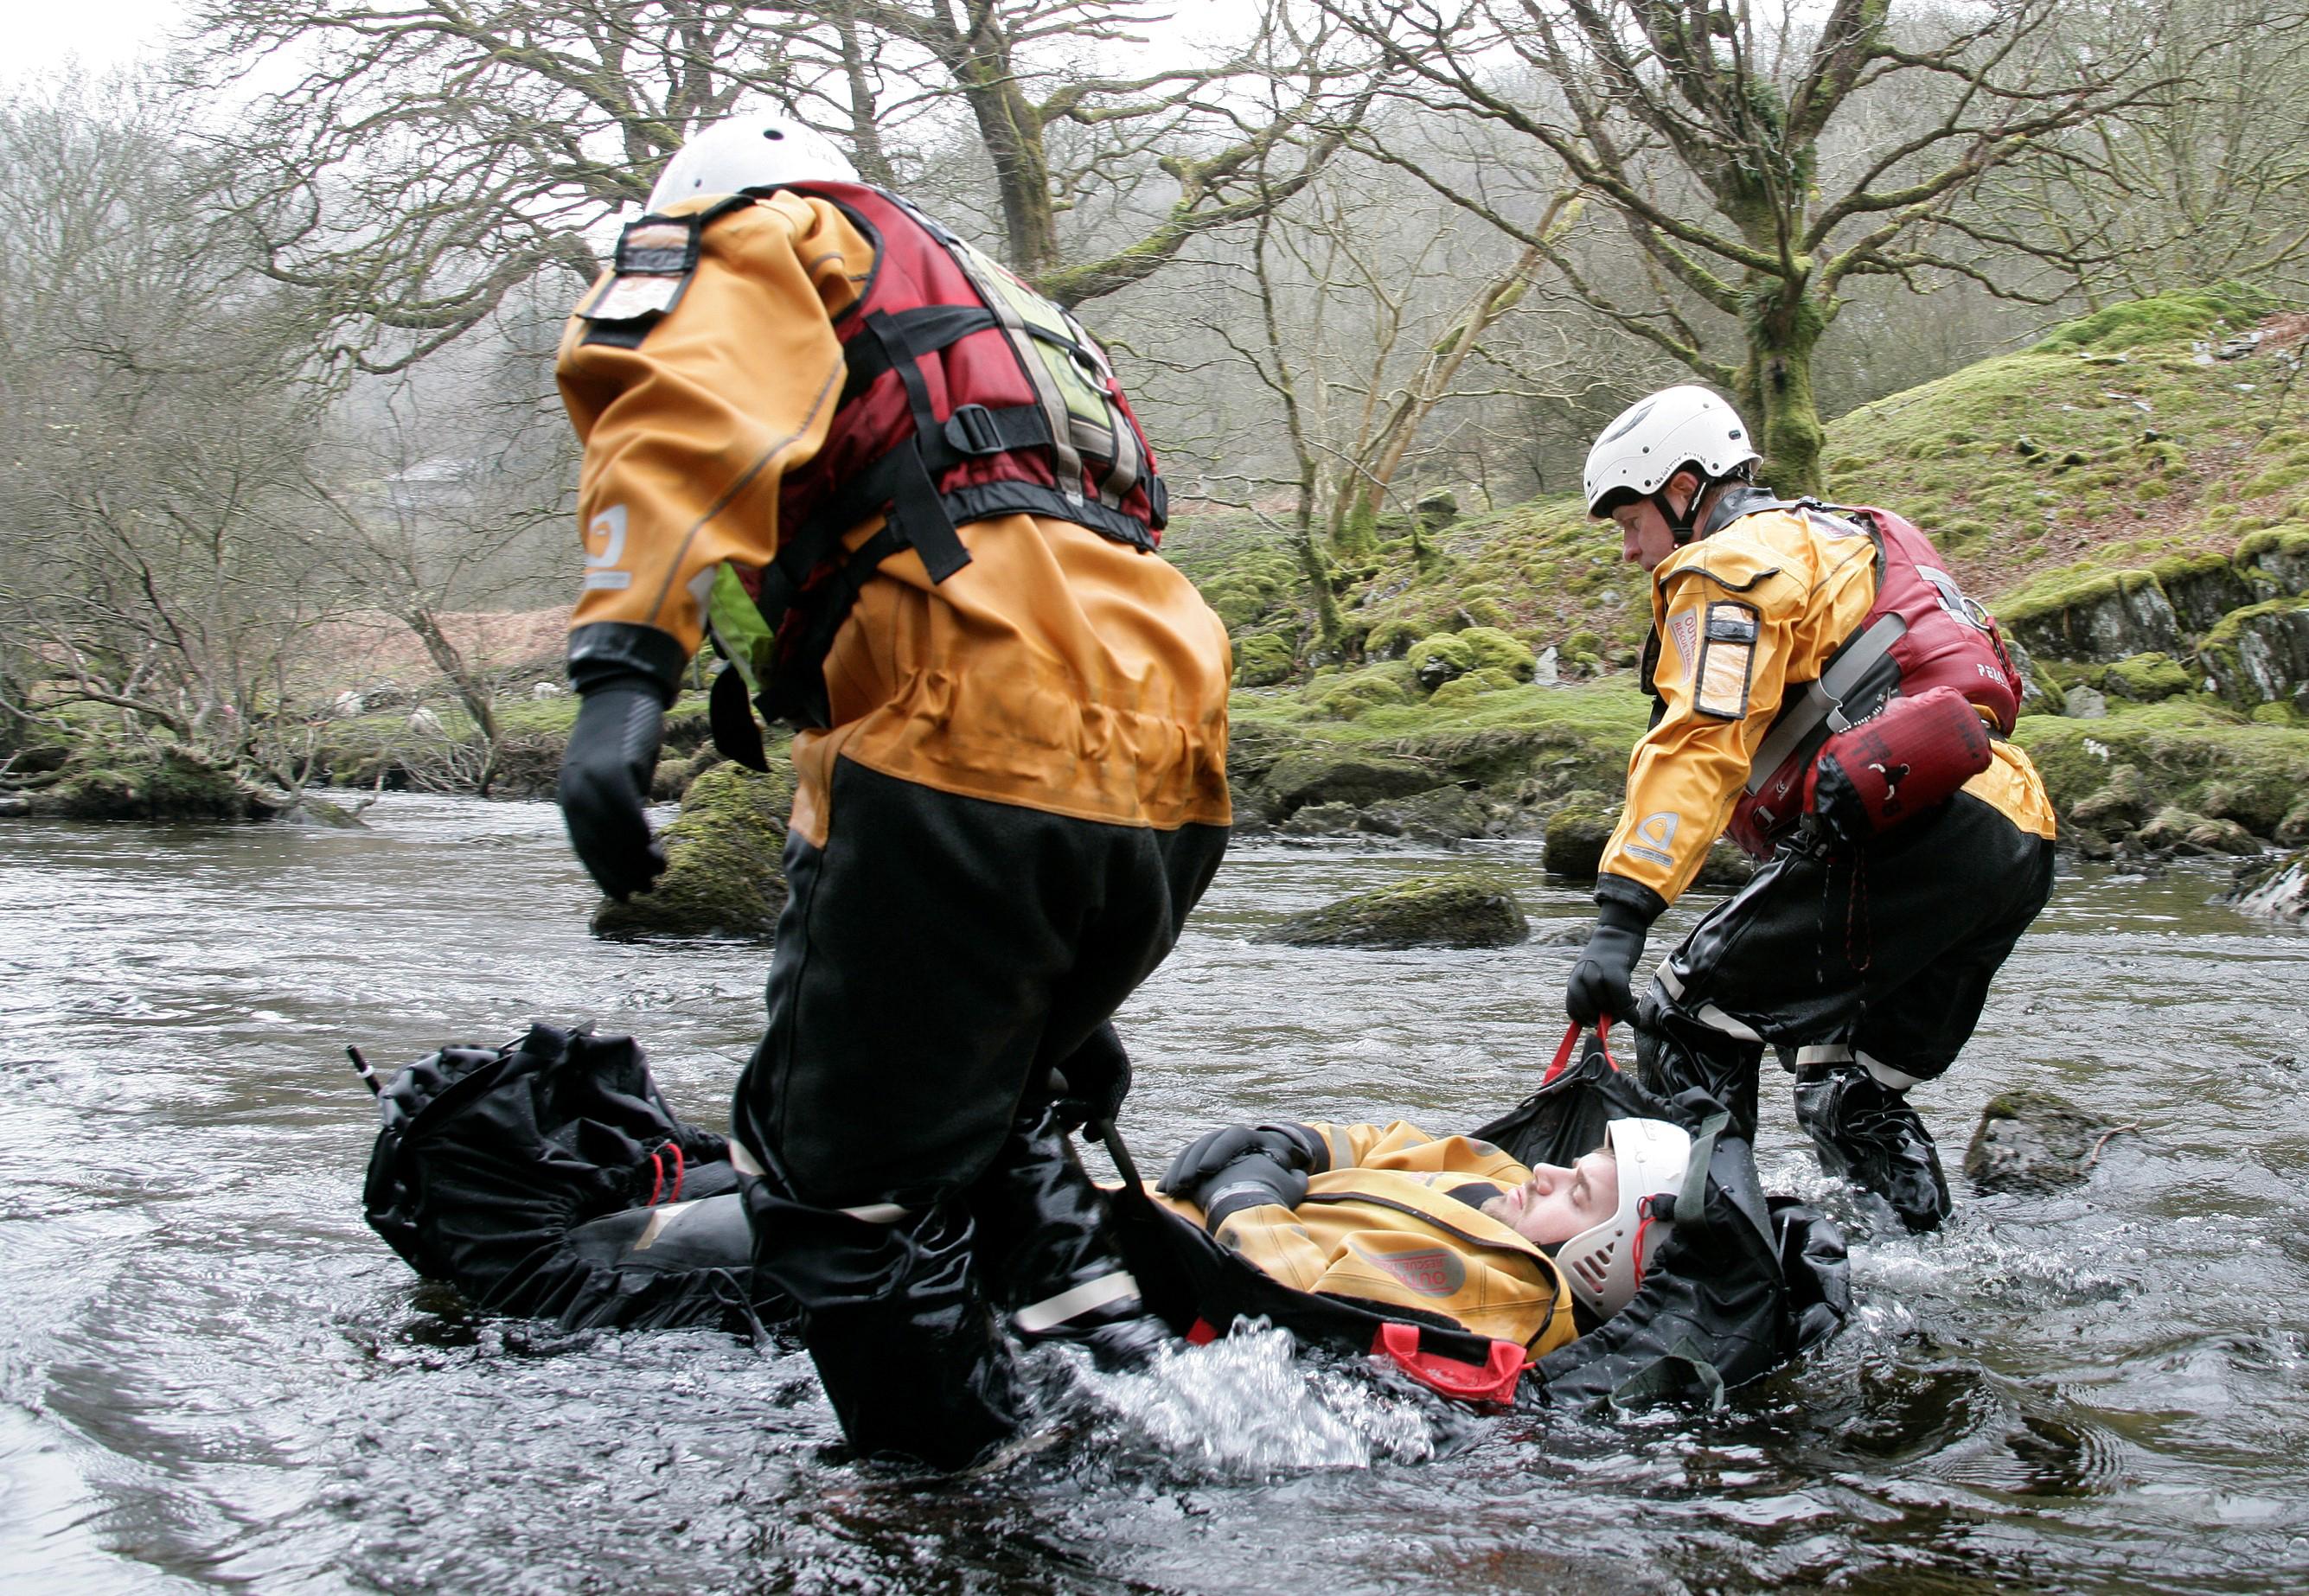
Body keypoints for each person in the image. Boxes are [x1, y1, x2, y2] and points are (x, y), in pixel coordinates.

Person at [550, 109, 1232, 1470]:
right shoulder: (1011, 307)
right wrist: (1050, 1005)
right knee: (996, 1121)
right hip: (1172, 766)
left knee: (831, 1191)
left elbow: (675, 413)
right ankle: (1136, 1408)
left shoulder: (761, 231)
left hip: (965, 729)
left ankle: (946, 1506)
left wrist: (626, 669)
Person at [1564, 386, 2056, 1233]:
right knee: (1845, 1083)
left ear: (1684, 491)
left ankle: (1711, 1278)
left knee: (1686, 1016)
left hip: (1915, 834)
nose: (1628, 550)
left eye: (1629, 521)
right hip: (2015, 833)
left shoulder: (1729, 565)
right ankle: (1919, 1269)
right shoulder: (1839, 535)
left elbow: (1700, 741)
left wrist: (1622, 915)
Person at [1152, 1114, 1696, 1348]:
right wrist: (1288, 1141)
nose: (1546, 1173)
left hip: (1150, 1269)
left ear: (1600, 1259)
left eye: (1577, 1195)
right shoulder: (1501, 1178)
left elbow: (1305, 1318)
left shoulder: (1513, 1296)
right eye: (1573, 1165)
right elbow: (1383, 1142)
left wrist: (1244, 1203)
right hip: (1150, 1213)